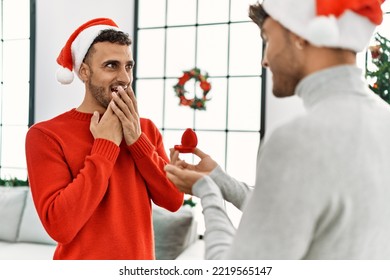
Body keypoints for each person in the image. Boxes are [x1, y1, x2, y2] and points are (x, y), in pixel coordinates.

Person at [164, 0, 390, 259]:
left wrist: (207, 192)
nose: (265, 60)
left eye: (267, 38)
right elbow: (292, 212)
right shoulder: (384, 120)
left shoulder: (298, 140)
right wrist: (220, 181)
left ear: (299, 37)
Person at [25, 18, 183, 260]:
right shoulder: (45, 135)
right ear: (84, 72)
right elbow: (60, 227)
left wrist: (138, 142)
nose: (124, 78)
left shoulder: (145, 129)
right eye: (111, 65)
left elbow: (173, 200)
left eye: (128, 66)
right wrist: (105, 147)